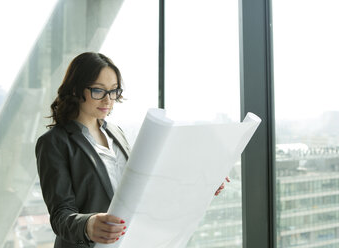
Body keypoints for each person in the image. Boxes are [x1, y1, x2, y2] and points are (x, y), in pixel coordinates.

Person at [35, 52, 228, 248]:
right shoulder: (54, 143)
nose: (108, 100)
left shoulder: (115, 133)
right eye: (98, 91)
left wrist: (202, 184)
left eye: (113, 91)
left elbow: (142, 189)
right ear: (76, 90)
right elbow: (60, 215)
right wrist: (88, 225)